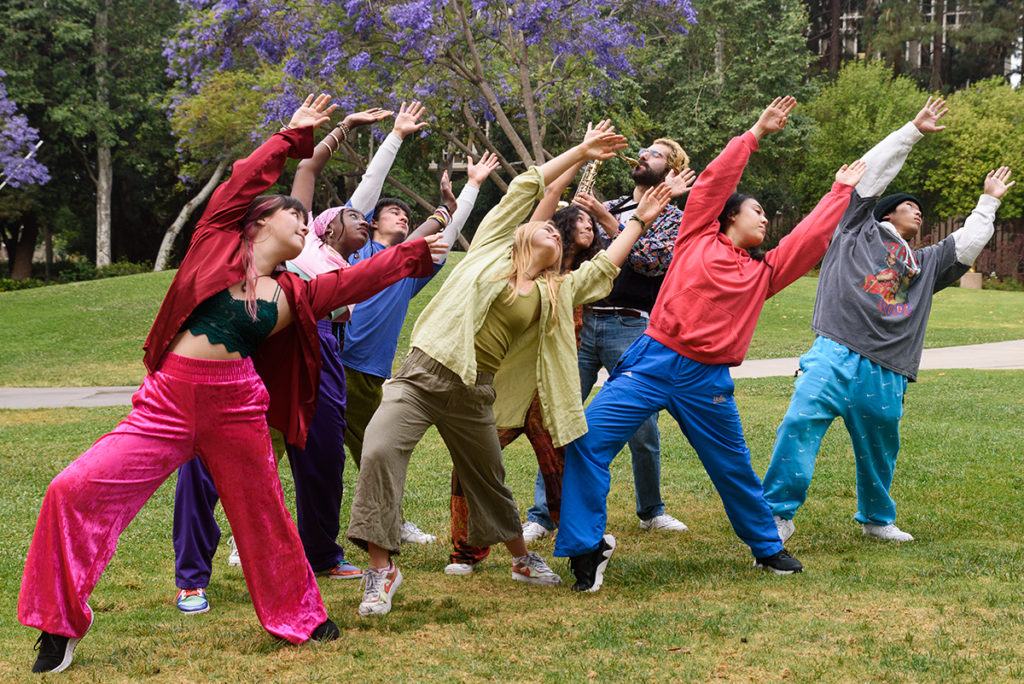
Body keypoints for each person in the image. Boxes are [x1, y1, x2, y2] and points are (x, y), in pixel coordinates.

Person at [18, 94, 445, 673]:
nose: (302, 220)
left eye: (305, 217)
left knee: (263, 513)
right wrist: (291, 136)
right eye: (292, 213)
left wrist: (413, 252)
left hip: (237, 405)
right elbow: (244, 181)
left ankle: (301, 615)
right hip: (168, 400)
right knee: (71, 489)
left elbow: (357, 281)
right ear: (261, 219)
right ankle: (58, 624)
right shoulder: (215, 238)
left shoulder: (294, 292)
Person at [345, 124, 673, 616]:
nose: (547, 225)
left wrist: (636, 223)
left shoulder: (554, 290)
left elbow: (602, 271)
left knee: (490, 479)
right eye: (541, 223)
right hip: (422, 375)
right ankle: (382, 568)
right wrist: (580, 151)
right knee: (378, 449)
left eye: (553, 231)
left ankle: (520, 558)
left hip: (476, 391)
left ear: (559, 251)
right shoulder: (492, 248)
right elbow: (529, 186)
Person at [553, 96, 868, 592]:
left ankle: (768, 548)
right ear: (729, 217)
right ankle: (586, 549)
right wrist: (756, 133)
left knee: (732, 467)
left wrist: (839, 193)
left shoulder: (763, 272)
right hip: (652, 360)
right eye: (757, 211)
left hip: (707, 379)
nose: (764, 220)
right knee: (587, 444)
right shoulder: (696, 234)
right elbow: (716, 181)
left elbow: (809, 239)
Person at [170, 107, 397, 615]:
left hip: (321, 339)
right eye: (350, 215)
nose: (359, 219)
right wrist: (343, 129)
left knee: (321, 455)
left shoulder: (339, 257)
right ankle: (191, 576)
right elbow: (308, 169)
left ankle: (321, 552)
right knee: (205, 458)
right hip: (257, 331)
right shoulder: (304, 236)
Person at [762, 97, 1015, 544]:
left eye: (920, 208)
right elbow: (870, 173)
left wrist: (987, 203)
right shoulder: (854, 228)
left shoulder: (924, 264)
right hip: (834, 349)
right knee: (799, 423)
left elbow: (967, 245)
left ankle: (877, 518)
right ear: (885, 212)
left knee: (880, 447)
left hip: (886, 368)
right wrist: (912, 131)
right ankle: (777, 514)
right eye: (908, 205)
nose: (918, 210)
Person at [519, 138, 697, 542]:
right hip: (581, 322)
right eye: (646, 150)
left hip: (631, 324)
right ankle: (542, 515)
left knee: (642, 426)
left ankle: (651, 510)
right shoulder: (613, 204)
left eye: (656, 154)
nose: (644, 155)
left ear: (670, 171)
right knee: (556, 418)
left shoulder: (673, 217)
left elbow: (650, 261)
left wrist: (602, 216)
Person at [340, 107, 501, 545]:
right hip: (327, 364)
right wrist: (394, 136)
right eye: (393, 213)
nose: (403, 218)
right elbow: (362, 196)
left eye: (407, 216)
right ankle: (248, 539)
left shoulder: (407, 270)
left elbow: (444, 237)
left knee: (376, 452)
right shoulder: (350, 251)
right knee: (293, 450)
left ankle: (391, 523)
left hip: (369, 375)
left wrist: (469, 190)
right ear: (371, 223)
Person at [444, 160, 603, 575]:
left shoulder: (577, 278)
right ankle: (466, 550)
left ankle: (581, 542)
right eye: (579, 221)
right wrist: (580, 157)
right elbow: (547, 200)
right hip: (510, 385)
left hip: (550, 391)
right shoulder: (529, 264)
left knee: (561, 467)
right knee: (473, 462)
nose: (587, 227)